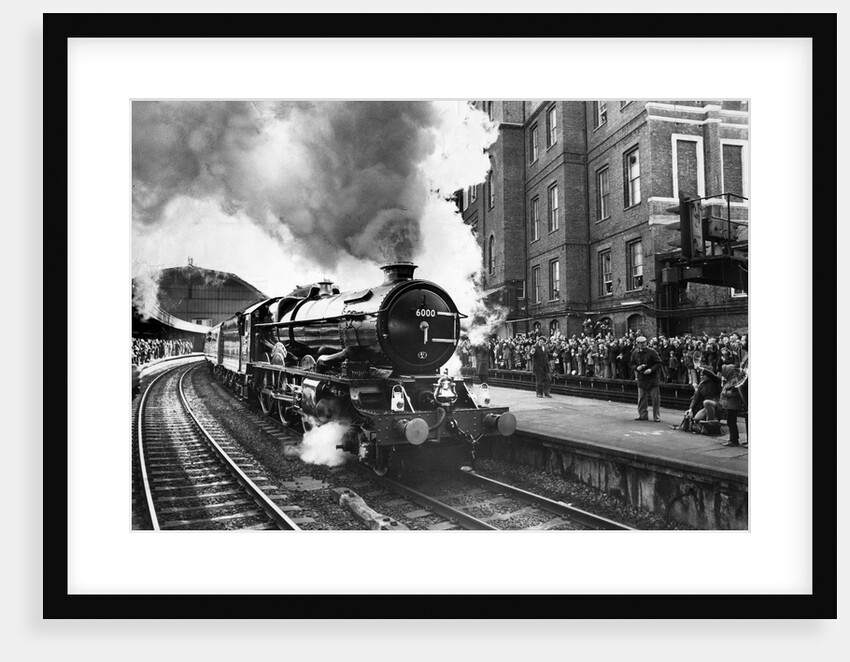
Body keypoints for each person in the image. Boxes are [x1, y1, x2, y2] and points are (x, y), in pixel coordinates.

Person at [629, 335, 663, 421]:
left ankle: (656, 416)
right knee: (641, 398)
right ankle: (642, 415)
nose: (642, 345)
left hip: (652, 378)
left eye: (644, 343)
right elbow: (632, 364)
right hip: (641, 378)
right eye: (640, 343)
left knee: (655, 398)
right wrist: (637, 368)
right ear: (637, 344)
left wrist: (651, 370)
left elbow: (659, 363)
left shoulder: (652, 352)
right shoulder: (635, 353)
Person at [719, 362, 746, 447]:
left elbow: (736, 393)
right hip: (730, 404)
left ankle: (733, 440)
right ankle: (733, 438)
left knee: (731, 422)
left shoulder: (735, 381)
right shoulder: (731, 380)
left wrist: (726, 393)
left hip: (732, 405)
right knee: (730, 422)